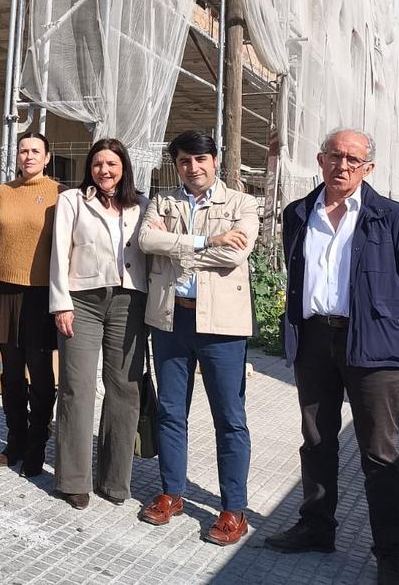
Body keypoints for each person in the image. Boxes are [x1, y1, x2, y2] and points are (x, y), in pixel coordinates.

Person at [265, 128, 399, 585]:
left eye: (353, 159)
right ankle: (317, 527)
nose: (342, 165)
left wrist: (385, 322)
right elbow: (296, 270)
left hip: (373, 347)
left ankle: (390, 556)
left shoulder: (392, 217)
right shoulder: (298, 213)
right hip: (315, 340)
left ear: (368, 168)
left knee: (380, 453)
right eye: (335, 156)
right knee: (317, 440)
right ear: (320, 160)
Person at [136, 131, 259, 546]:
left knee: (229, 418)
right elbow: (145, 240)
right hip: (171, 321)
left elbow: (235, 254)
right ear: (177, 164)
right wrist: (207, 240)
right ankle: (172, 493)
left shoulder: (241, 203)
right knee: (172, 412)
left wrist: (174, 248)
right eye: (185, 160)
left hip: (221, 327)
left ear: (215, 159)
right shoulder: (163, 201)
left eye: (201, 159)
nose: (194, 167)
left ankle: (232, 508)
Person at [49, 137, 148, 510]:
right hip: (82, 301)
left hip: (128, 300)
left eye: (111, 164)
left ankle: (115, 479)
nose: (104, 171)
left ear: (123, 168)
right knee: (78, 387)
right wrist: (61, 303)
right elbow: (60, 252)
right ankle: (74, 478)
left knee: (125, 387)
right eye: (97, 164)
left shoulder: (141, 205)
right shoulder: (73, 201)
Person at [0, 129, 60, 477]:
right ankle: (15, 440)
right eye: (23, 150)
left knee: (40, 375)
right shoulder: (2, 192)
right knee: (9, 374)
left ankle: (38, 443)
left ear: (47, 157)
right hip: (3, 292)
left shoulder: (60, 195)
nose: (28, 156)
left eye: (35, 151)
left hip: (40, 295)